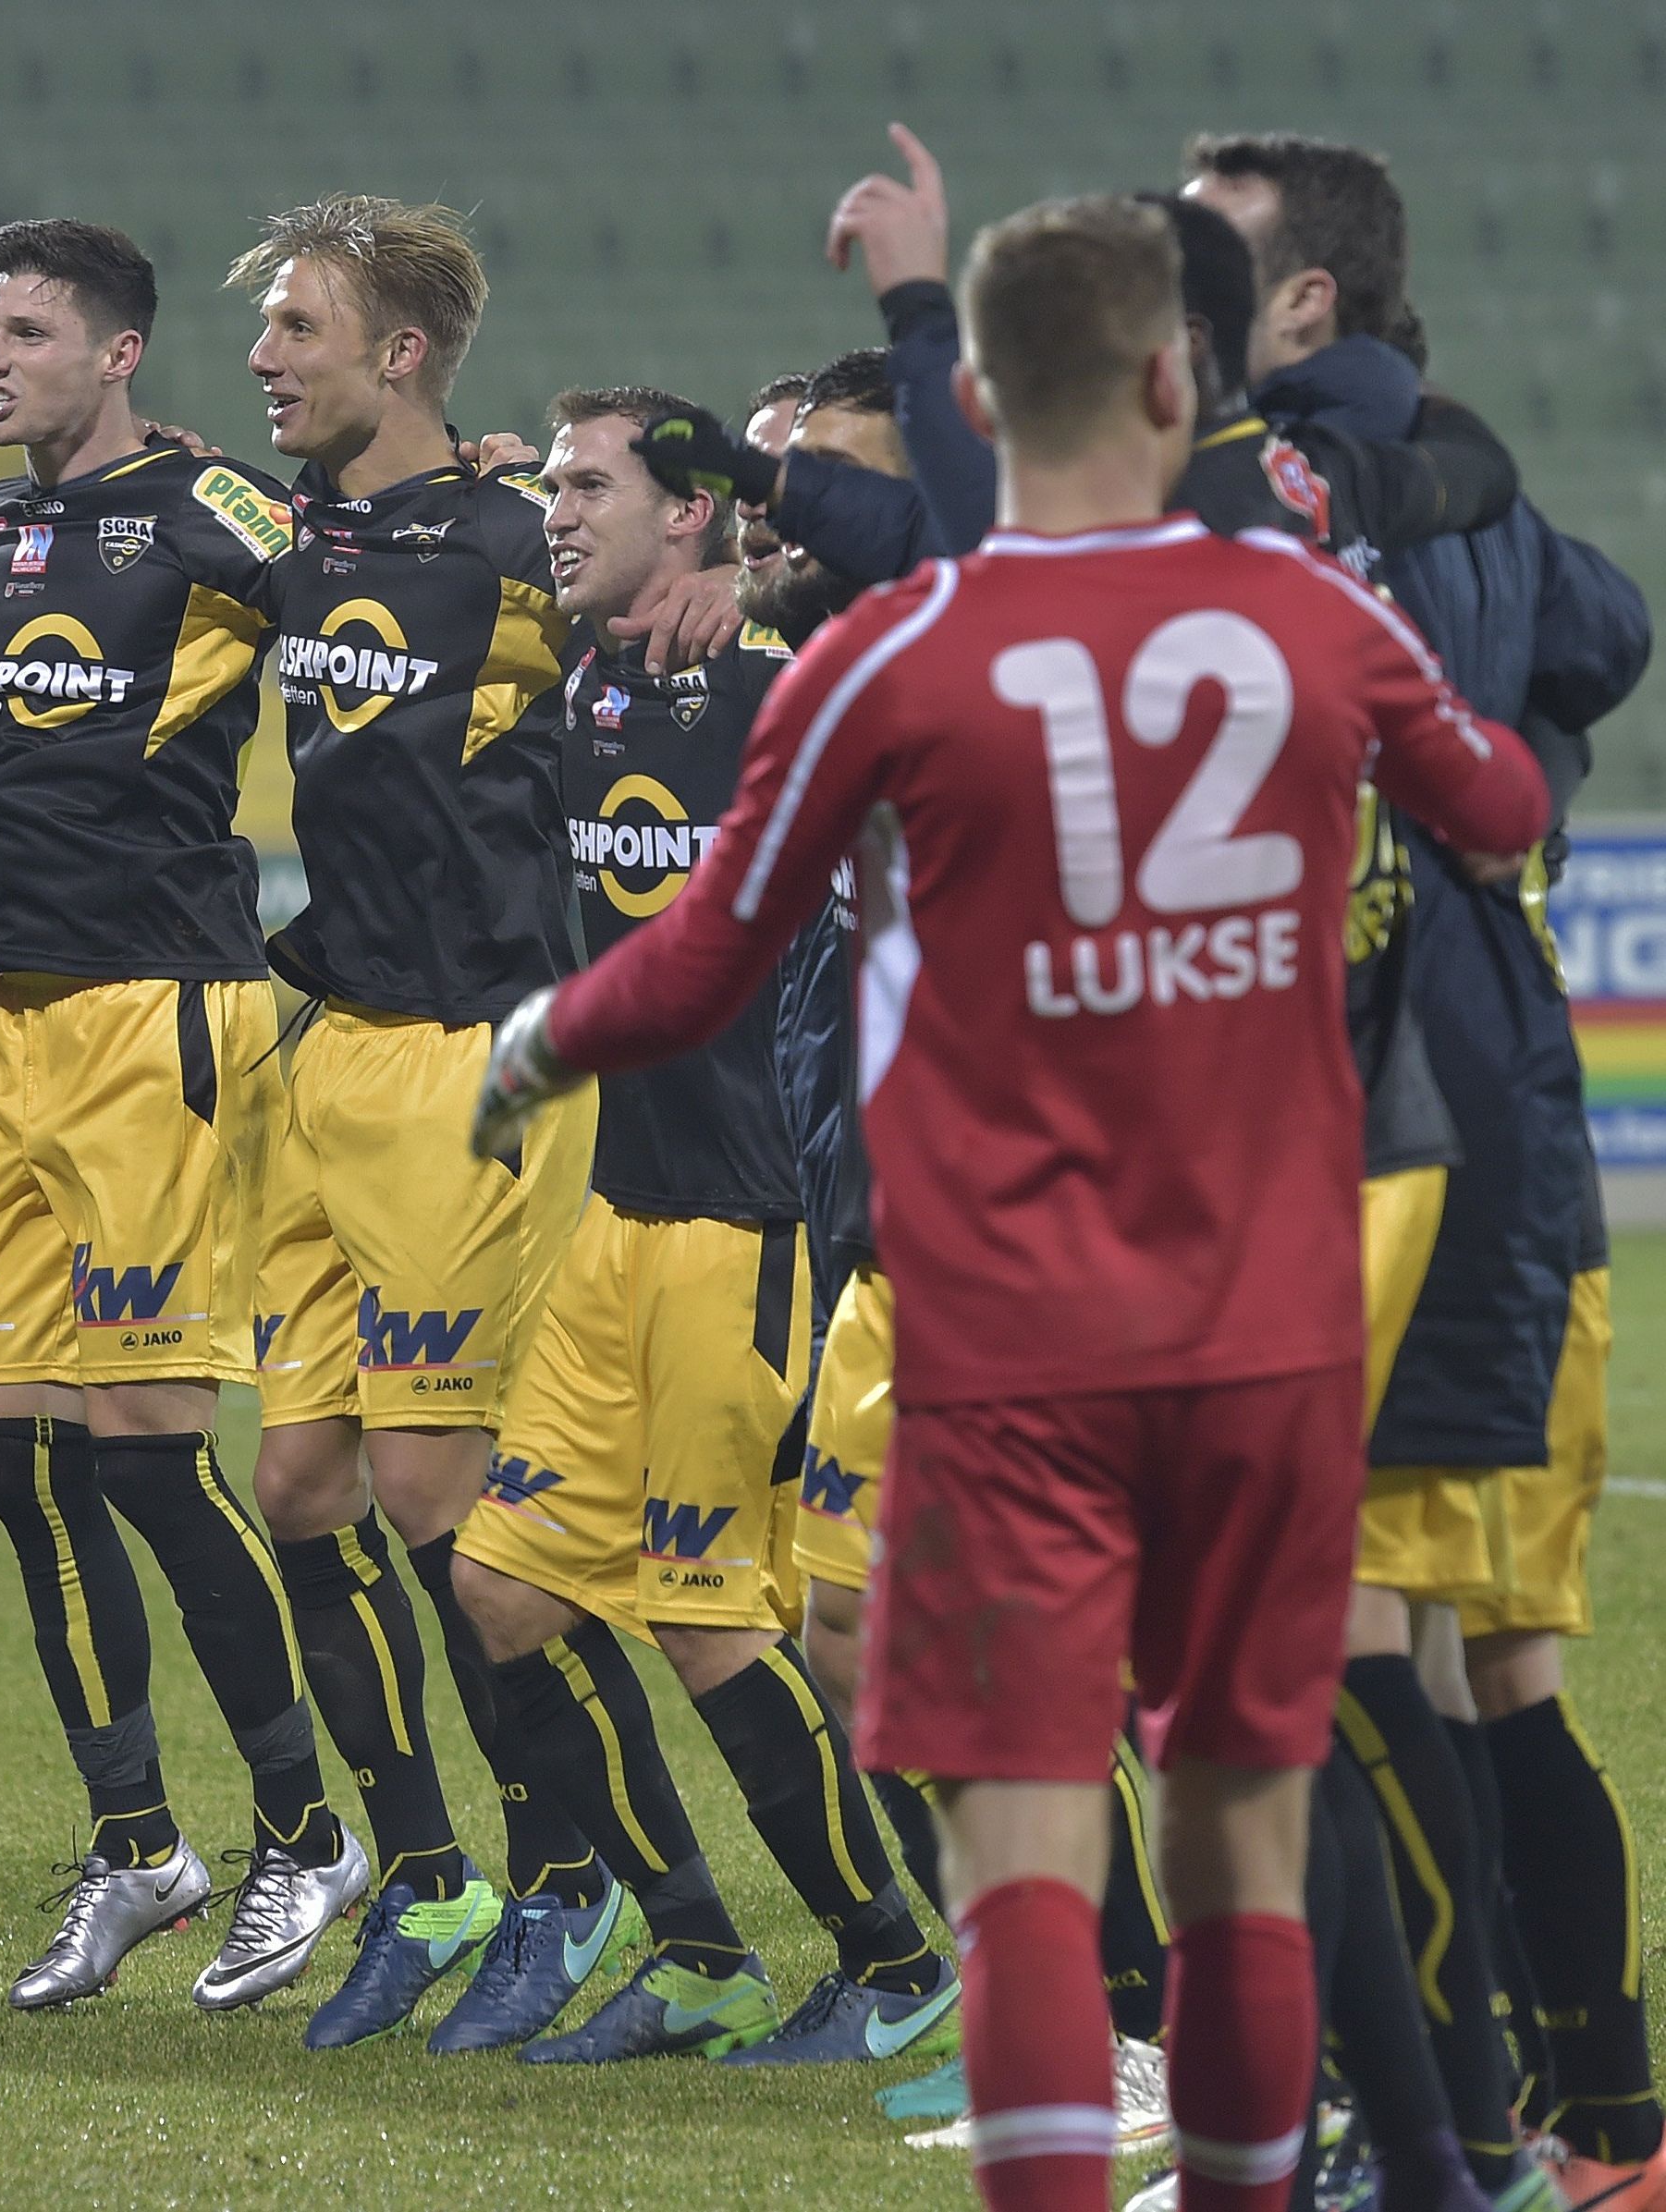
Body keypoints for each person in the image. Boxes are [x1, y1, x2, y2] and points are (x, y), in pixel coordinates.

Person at [472, 194, 1548, 2212]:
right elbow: (1496, 810)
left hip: (1002, 1342)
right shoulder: (1305, 617)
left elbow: (701, 958)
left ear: (969, 397)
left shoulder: (890, 650)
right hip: (1264, 1328)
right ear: (1169, 383)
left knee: (1020, 1847)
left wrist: (532, 1047)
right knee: (1235, 1824)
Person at [1188, 133, 1656, 2211]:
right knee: (1464, 1670)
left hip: (1403, 1129)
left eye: (1202, 246)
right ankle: (1590, 2124)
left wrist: (1503, 792)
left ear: (1301, 303)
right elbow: (1605, 629)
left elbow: (1591, 640)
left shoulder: (1301, 482)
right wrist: (1519, 786)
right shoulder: (1440, 459)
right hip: (1450, 1121)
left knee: (1361, 1649)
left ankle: (1443, 2126)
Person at [442, 384, 954, 2068]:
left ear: (691, 516)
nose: (557, 512)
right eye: (556, 483)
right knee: (501, 1585)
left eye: (593, 486)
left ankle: (893, 1958)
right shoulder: (585, 670)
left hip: (753, 1222)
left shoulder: (782, 690)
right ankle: (698, 1951)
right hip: (616, 1213)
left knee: (709, 1611)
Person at [0, 219, 353, 2012]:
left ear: (115, 354)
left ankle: (306, 1829)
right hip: (21, 1024)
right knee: (16, 1456)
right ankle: (132, 1843)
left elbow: (369, 585)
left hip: (162, 1013)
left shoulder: (208, 509)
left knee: (150, 1450)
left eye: (22, 328)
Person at [223, 194, 604, 2050]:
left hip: (479, 1054)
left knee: (441, 1504)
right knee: (296, 1484)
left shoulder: (529, 541)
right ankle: (427, 1871)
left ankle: (583, 1877)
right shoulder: (297, 532)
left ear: (399, 351)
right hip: (331, 1050)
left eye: (296, 326)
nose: (263, 357)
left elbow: (681, 615)